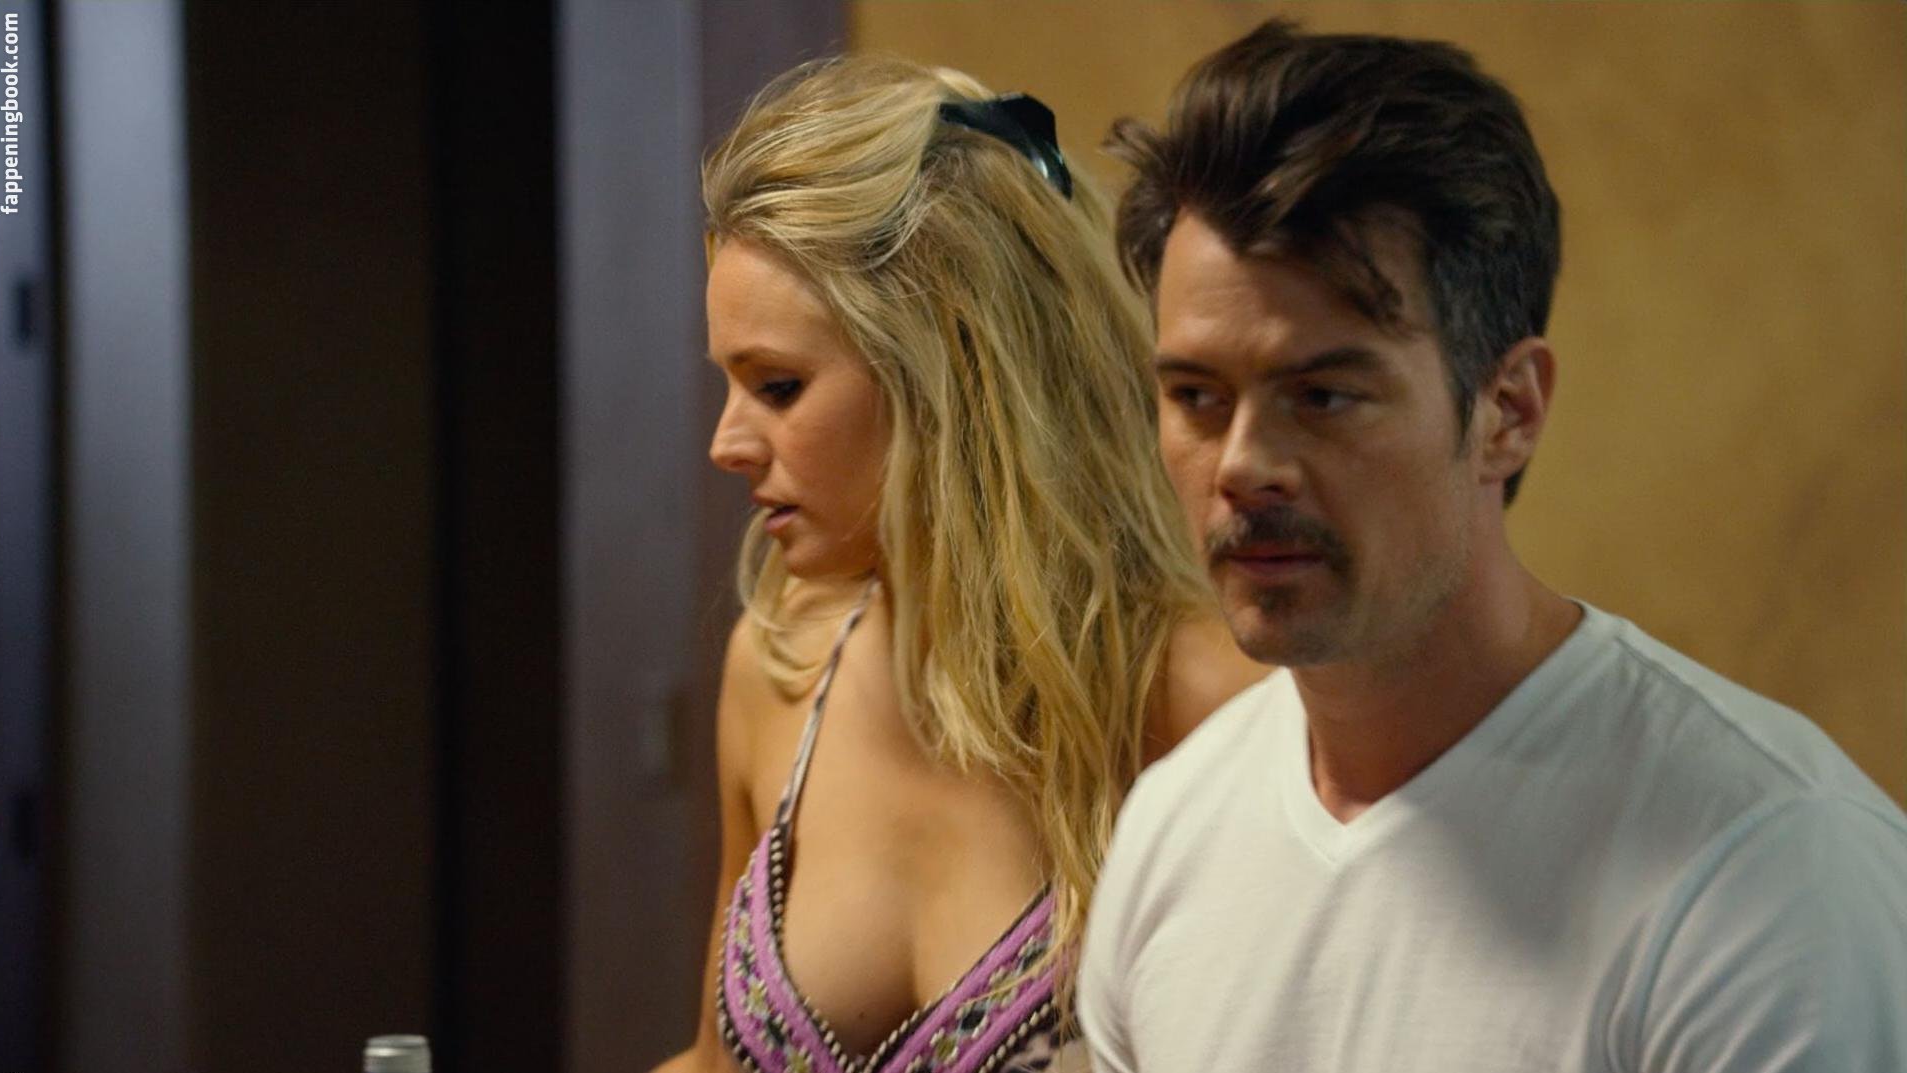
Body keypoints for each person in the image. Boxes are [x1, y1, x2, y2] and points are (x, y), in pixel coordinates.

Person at [1079, 18, 1907, 1072]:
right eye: (1197, 397)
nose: (1243, 465)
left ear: (1508, 409)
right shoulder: (1170, 831)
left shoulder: (1772, 878)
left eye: (1323, 395)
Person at [653, 56, 1265, 1073]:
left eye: (778, 386)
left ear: (951, 367)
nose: (727, 443)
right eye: (730, 384)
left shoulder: (1204, 702)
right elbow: (715, 1061)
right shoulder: (779, 664)